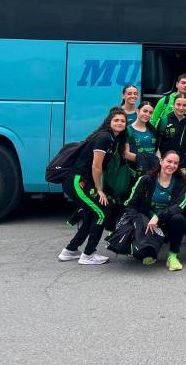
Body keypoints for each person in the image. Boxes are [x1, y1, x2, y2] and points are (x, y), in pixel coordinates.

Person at [58, 108, 128, 265]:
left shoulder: (113, 139)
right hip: (78, 181)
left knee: (91, 214)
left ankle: (70, 250)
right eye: (116, 120)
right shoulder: (104, 138)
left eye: (123, 121)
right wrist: (99, 190)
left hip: (84, 182)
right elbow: (96, 167)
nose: (119, 123)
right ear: (109, 122)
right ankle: (88, 254)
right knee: (102, 212)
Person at [123, 151, 186, 270]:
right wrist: (138, 222)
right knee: (141, 255)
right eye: (169, 161)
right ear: (161, 161)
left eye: (175, 163)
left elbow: (179, 206)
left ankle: (172, 257)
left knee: (179, 218)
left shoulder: (180, 183)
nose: (172, 165)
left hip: (167, 223)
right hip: (148, 225)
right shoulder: (145, 179)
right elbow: (129, 204)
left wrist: (158, 216)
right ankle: (151, 251)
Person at [156, 93, 186, 171]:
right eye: (178, 104)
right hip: (165, 163)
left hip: (181, 164)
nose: (181, 108)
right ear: (173, 104)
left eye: (184, 105)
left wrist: (183, 165)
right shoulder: (164, 120)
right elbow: (156, 144)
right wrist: (160, 160)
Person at [124, 101, 160, 175]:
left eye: (150, 113)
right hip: (134, 172)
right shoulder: (128, 130)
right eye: (145, 111)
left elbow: (157, 149)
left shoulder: (152, 129)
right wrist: (145, 160)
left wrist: (158, 163)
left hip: (152, 170)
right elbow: (125, 154)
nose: (147, 114)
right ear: (137, 111)